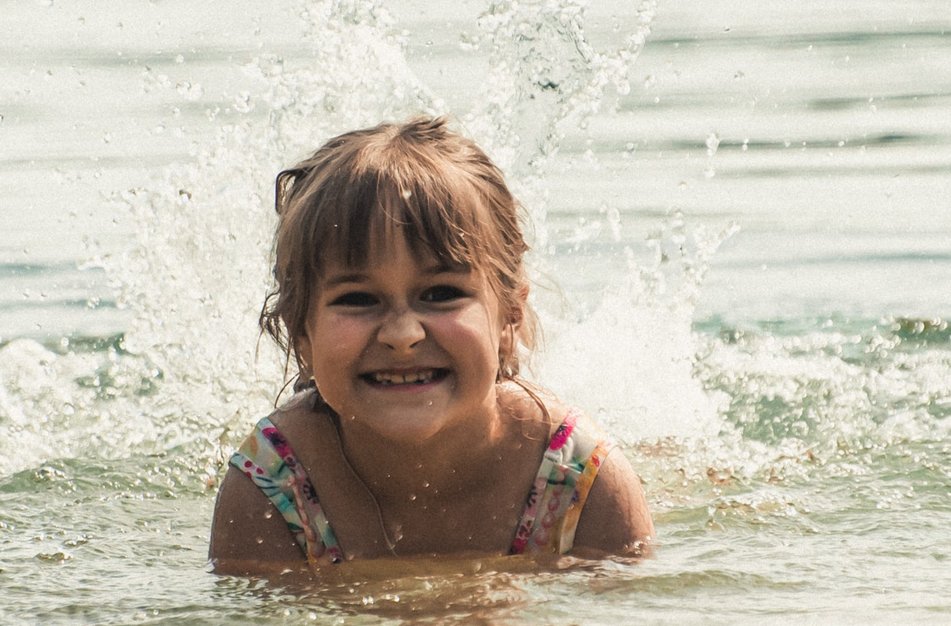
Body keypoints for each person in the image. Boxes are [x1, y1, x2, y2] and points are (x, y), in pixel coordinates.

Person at [208, 117, 654, 571]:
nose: (403, 335)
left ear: (510, 314)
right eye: (358, 299)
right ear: (301, 330)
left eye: (441, 294)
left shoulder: (582, 484)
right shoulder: (271, 490)